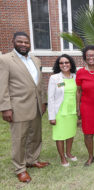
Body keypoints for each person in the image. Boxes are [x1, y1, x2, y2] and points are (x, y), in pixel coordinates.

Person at [0, 32, 49, 183]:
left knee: (35, 135)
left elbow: (39, 83)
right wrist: (5, 107)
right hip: (18, 106)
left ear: (30, 44)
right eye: (20, 42)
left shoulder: (36, 60)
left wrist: (43, 101)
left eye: (26, 42)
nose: (23, 45)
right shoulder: (5, 60)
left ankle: (32, 160)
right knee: (19, 139)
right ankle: (20, 169)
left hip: (36, 105)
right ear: (13, 41)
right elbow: (2, 85)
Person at [48, 54, 78, 167]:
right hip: (60, 111)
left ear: (71, 64)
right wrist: (52, 116)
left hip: (72, 111)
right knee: (60, 135)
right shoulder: (55, 78)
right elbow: (50, 98)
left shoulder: (75, 76)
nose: (64, 64)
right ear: (58, 65)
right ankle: (62, 158)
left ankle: (68, 153)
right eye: (61, 63)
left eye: (66, 62)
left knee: (70, 133)